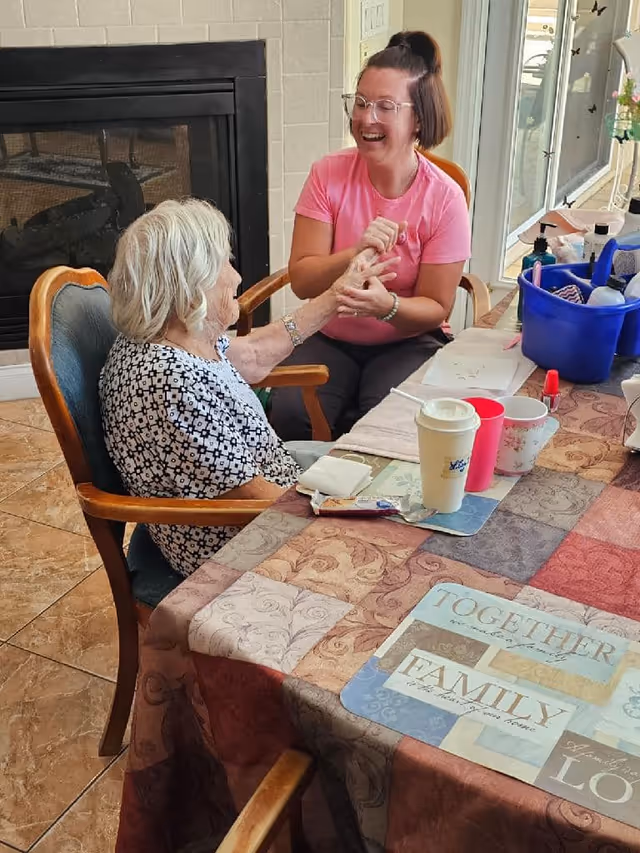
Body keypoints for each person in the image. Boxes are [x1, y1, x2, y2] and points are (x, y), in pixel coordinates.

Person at [99, 198, 391, 578]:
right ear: (191, 287)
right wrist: (344, 517)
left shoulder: (173, 332)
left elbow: (253, 354)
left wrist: (337, 294)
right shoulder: (173, 384)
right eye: (224, 264)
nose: (237, 277)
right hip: (242, 551)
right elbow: (250, 498)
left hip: (271, 494)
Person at [269, 30, 472, 441]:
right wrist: (353, 253)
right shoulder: (328, 174)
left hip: (406, 342)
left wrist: (387, 306)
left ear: (419, 118)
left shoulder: (445, 198)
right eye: (360, 103)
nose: (366, 119)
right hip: (327, 333)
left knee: (389, 427)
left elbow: (437, 307)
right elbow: (305, 281)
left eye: (385, 106)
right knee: (289, 414)